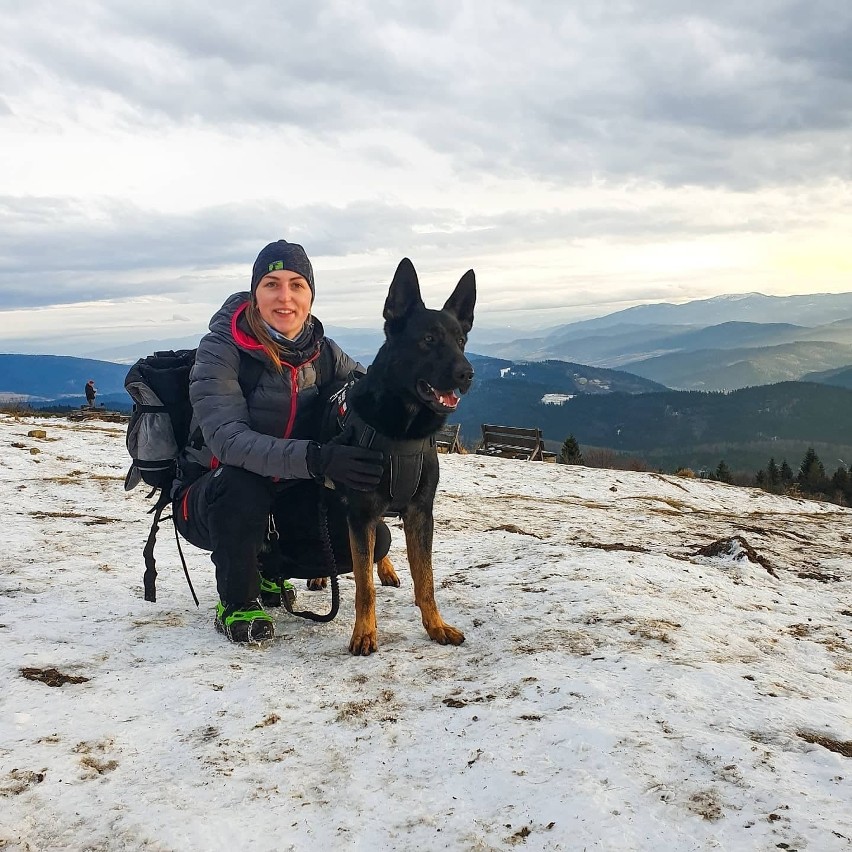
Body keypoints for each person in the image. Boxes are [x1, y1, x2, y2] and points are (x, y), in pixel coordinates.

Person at [172, 240, 389, 644]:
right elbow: (229, 442)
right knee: (242, 483)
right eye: (272, 284)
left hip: (289, 494)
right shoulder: (221, 349)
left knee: (371, 541)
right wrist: (317, 459)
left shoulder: (323, 352)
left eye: (296, 284)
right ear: (255, 292)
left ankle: (269, 570)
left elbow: (370, 390)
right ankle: (237, 600)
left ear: (310, 295)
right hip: (212, 496)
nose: (284, 297)